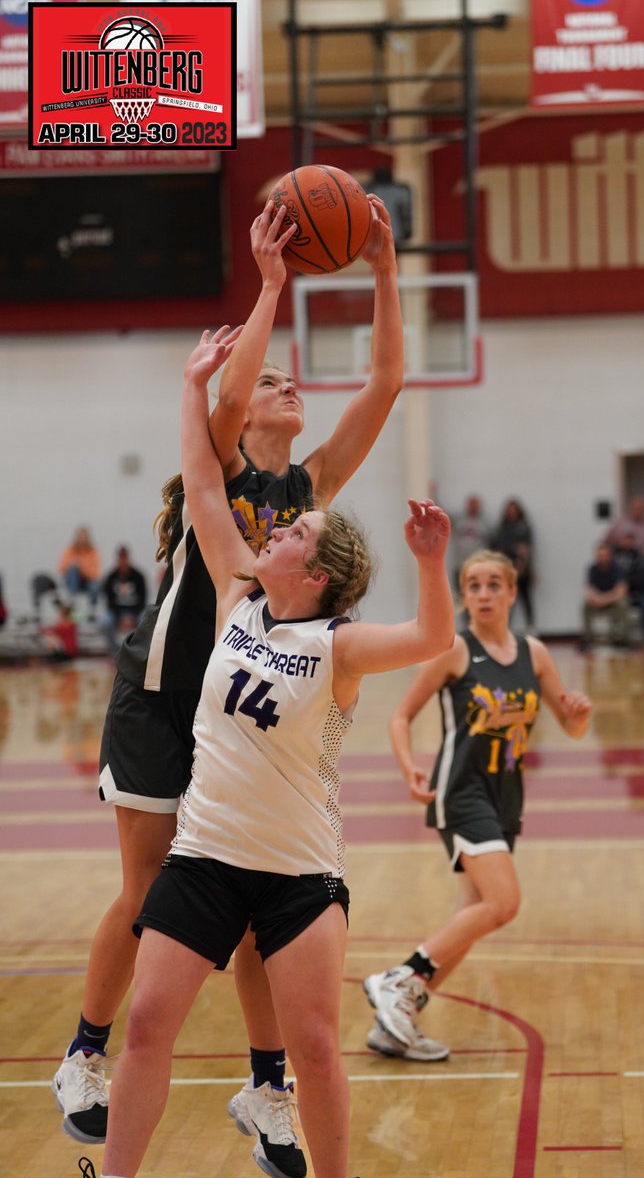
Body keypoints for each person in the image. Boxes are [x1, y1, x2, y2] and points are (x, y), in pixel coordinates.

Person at [53, 192, 404, 1177]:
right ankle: (85, 1051)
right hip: (166, 695)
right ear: (241, 411)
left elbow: (382, 382)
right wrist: (271, 288)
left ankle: (264, 1084)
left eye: (292, 381)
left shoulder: (310, 500)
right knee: (146, 894)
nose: (286, 387)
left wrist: (381, 267)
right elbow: (223, 394)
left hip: (250, 710)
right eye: (269, 384)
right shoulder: (204, 474)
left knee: (255, 904)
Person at [92, 329, 454, 1178]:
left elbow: (435, 636)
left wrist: (432, 565)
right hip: (206, 859)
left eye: (296, 531)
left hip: (297, 875)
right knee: (146, 1029)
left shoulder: (341, 646)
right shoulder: (231, 594)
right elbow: (205, 483)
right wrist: (192, 387)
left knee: (318, 1054)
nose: (280, 528)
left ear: (315, 571)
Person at [362, 549, 591, 1061]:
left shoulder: (535, 654)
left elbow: (572, 726)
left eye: (494, 585)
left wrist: (579, 712)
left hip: (506, 796)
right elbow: (400, 717)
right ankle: (399, 980)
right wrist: (408, 768)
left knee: (472, 914)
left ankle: (395, 1023)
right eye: (473, 586)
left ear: (512, 592)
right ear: (463, 597)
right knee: (504, 904)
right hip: (461, 791)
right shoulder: (454, 651)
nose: (484, 594)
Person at [491, 498, 534, 628]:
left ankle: (531, 626)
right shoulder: (502, 527)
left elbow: (526, 549)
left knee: (526, 598)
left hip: (522, 568)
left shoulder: (523, 527)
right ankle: (505, 627)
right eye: (509, 510)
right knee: (507, 599)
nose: (511, 512)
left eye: (514, 510)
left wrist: (521, 565)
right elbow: (497, 547)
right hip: (506, 567)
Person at [579, 541, 630, 651]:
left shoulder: (617, 568)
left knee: (622, 603)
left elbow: (621, 590)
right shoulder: (593, 568)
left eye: (604, 555)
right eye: (599, 555)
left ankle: (622, 637)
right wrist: (596, 598)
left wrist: (604, 599)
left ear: (609, 555)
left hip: (613, 600)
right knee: (586, 605)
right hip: (600, 600)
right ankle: (587, 638)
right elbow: (589, 590)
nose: (601, 558)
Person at [101, 547, 148, 655]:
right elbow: (109, 602)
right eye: (120, 558)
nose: (122, 561)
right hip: (117, 613)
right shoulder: (111, 577)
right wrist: (121, 617)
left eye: (124, 558)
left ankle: (140, 652)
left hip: (135, 612)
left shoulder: (139, 576)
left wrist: (131, 617)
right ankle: (114, 653)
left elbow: (143, 600)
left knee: (146, 620)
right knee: (105, 622)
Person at [449, 494, 490, 592]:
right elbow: (441, 515)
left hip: (478, 566)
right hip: (460, 565)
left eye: (475, 505)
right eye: (471, 504)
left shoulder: (485, 524)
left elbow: (491, 543)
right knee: (460, 596)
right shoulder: (459, 520)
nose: (473, 507)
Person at [58, 526, 102, 610]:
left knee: (95, 586)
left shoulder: (93, 552)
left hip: (87, 581)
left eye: (84, 537)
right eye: (80, 537)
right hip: (72, 581)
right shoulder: (70, 550)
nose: (82, 540)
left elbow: (95, 574)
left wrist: (82, 568)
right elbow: (61, 568)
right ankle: (72, 602)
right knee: (73, 569)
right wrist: (74, 566)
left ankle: (93, 609)